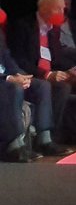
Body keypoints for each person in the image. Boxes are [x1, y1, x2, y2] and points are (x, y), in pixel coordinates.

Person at [9, 0, 76, 145]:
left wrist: (74, 71)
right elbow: (20, 59)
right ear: (44, 9)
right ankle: (54, 136)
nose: (62, 13)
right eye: (58, 9)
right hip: (35, 75)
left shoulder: (53, 29)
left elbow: (57, 57)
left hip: (54, 73)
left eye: (63, 9)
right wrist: (47, 74)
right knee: (62, 88)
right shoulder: (24, 26)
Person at [1, 9, 66, 161]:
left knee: (42, 86)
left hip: (7, 77)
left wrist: (20, 75)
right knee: (14, 88)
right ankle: (14, 145)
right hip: (4, 81)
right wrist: (9, 78)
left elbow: (8, 59)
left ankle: (44, 138)